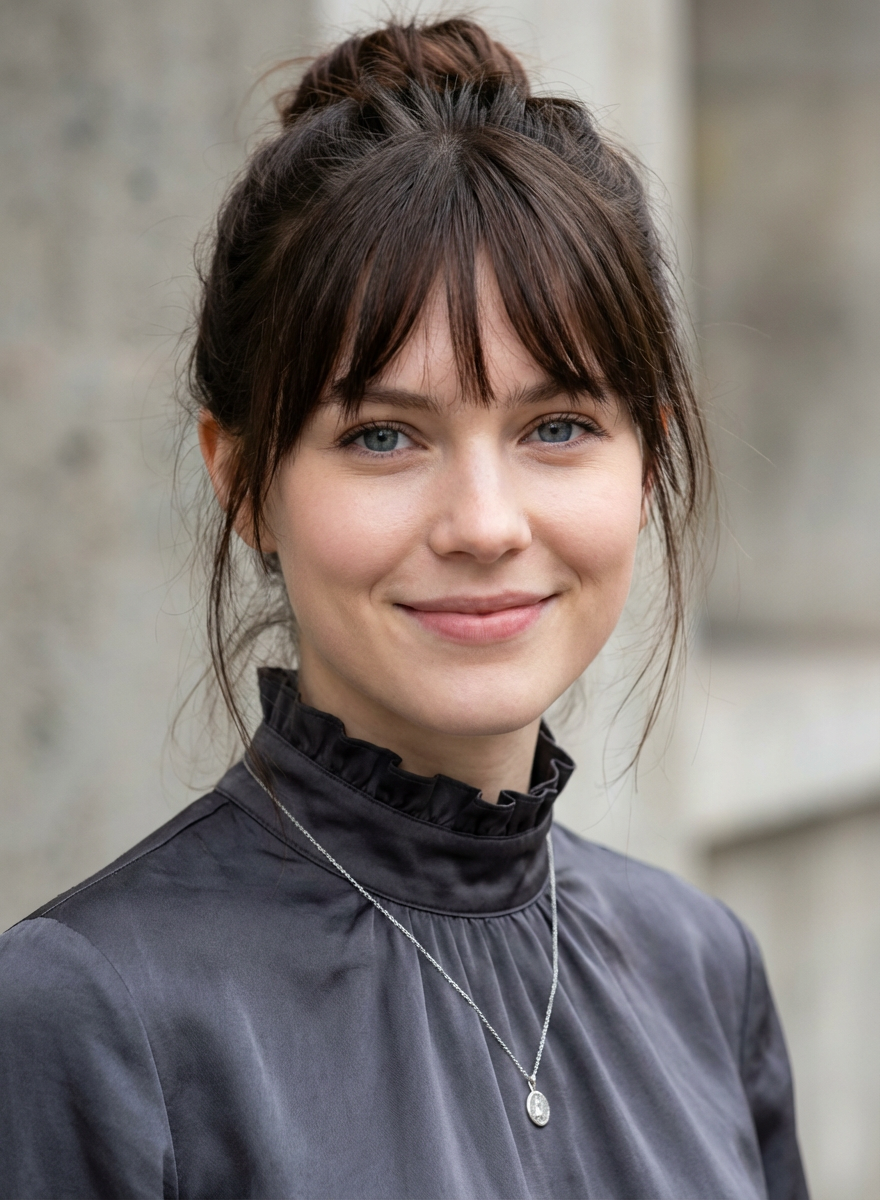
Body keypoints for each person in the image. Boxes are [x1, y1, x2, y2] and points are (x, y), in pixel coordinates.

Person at [0, 18, 808, 1200]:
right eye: (384, 436)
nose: (483, 523)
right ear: (243, 485)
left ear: (646, 462)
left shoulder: (699, 968)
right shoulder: (89, 1013)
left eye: (557, 428)